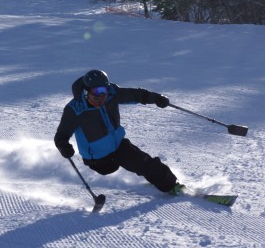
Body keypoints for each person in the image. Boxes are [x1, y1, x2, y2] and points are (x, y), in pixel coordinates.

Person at [54, 69, 182, 194]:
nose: (101, 96)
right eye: (96, 92)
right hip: (99, 159)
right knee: (110, 168)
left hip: (118, 146)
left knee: (146, 163)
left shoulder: (111, 94)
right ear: (86, 91)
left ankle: (172, 186)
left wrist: (155, 98)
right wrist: (63, 146)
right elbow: (61, 136)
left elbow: (134, 94)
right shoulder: (75, 110)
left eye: (104, 90)